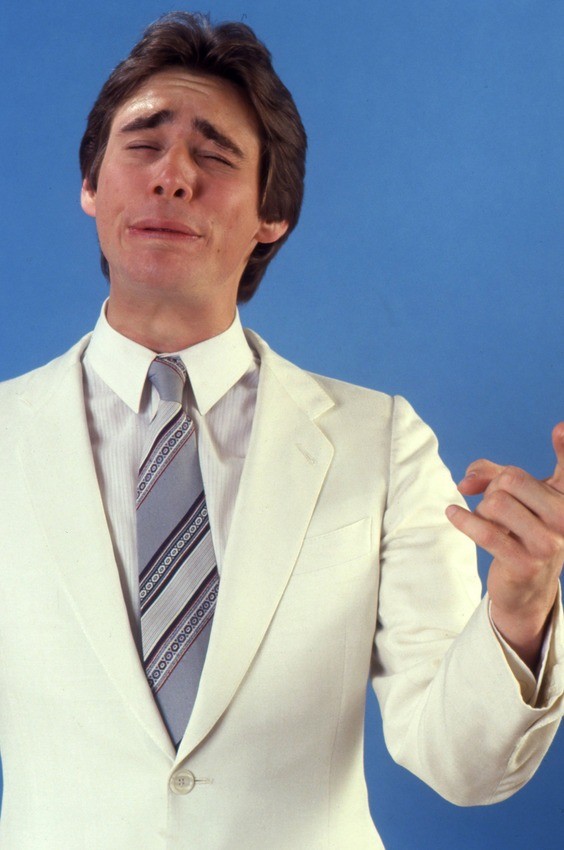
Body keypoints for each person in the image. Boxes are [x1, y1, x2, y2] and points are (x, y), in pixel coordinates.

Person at [0, 11, 562, 850]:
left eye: (215, 155)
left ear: (273, 216)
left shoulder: (382, 444)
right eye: (143, 143)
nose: (172, 176)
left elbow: (461, 762)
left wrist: (521, 608)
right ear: (91, 186)